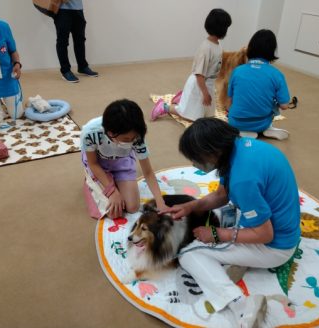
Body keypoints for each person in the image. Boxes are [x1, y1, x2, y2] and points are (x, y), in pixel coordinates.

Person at [161, 118, 301, 327]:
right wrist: (191, 206)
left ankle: (241, 306)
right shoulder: (242, 148)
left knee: (189, 255)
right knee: (223, 210)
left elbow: (265, 234)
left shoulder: (242, 179)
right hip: (284, 227)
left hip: (275, 246)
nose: (194, 163)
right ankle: (238, 259)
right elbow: (221, 195)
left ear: (212, 151)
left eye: (196, 158)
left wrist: (217, 234)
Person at [80, 99, 167, 218]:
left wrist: (160, 202)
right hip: (99, 162)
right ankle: (90, 180)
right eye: (126, 139)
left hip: (122, 160)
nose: (132, 141)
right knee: (113, 213)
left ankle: (110, 180)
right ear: (110, 133)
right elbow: (93, 163)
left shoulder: (136, 135)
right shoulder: (90, 133)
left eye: (134, 138)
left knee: (132, 207)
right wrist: (112, 192)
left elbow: (148, 172)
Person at [151, 8, 231, 122]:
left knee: (208, 116)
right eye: (226, 28)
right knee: (190, 117)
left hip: (208, 85)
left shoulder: (217, 45)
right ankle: (165, 107)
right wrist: (205, 93)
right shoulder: (206, 48)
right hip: (199, 85)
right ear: (221, 29)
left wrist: (208, 92)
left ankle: (182, 98)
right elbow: (199, 75)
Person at [227, 29, 291, 140]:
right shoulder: (277, 74)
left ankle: (243, 131)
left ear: (250, 48)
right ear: (272, 51)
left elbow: (229, 100)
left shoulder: (237, 71)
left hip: (235, 122)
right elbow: (284, 106)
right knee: (271, 102)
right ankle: (266, 128)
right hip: (262, 123)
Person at [33, 0, 98, 83]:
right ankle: (65, 71)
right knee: (62, 41)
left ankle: (82, 66)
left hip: (78, 8)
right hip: (62, 9)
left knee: (80, 39)